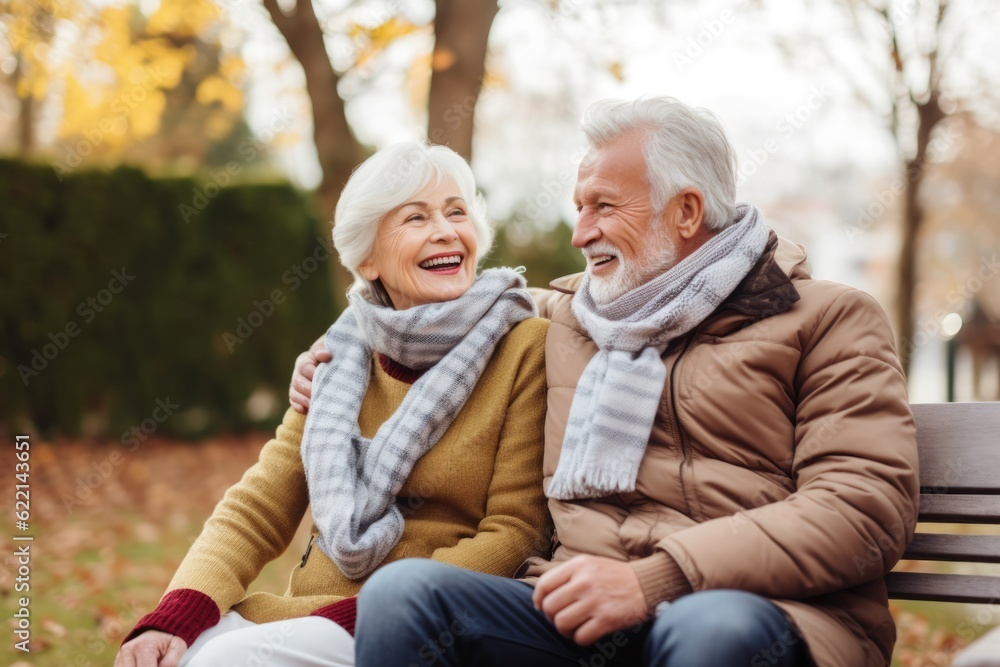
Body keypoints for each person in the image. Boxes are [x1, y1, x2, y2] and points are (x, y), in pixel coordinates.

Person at [290, 96, 920, 667]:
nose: (579, 232)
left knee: (710, 630)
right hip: (581, 616)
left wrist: (658, 580)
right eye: (578, 208)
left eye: (603, 207)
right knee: (405, 595)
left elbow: (863, 508)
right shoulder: (568, 316)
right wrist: (339, 352)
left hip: (763, 613)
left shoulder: (827, 318)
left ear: (686, 210)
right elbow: (435, 308)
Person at [114, 142, 551, 667]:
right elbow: (258, 505)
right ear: (367, 259)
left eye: (457, 211)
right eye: (416, 217)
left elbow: (514, 532)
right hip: (307, 613)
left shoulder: (525, 346)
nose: (445, 230)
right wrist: (178, 613)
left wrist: (380, 611)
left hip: (424, 623)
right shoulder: (339, 353)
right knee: (170, 655)